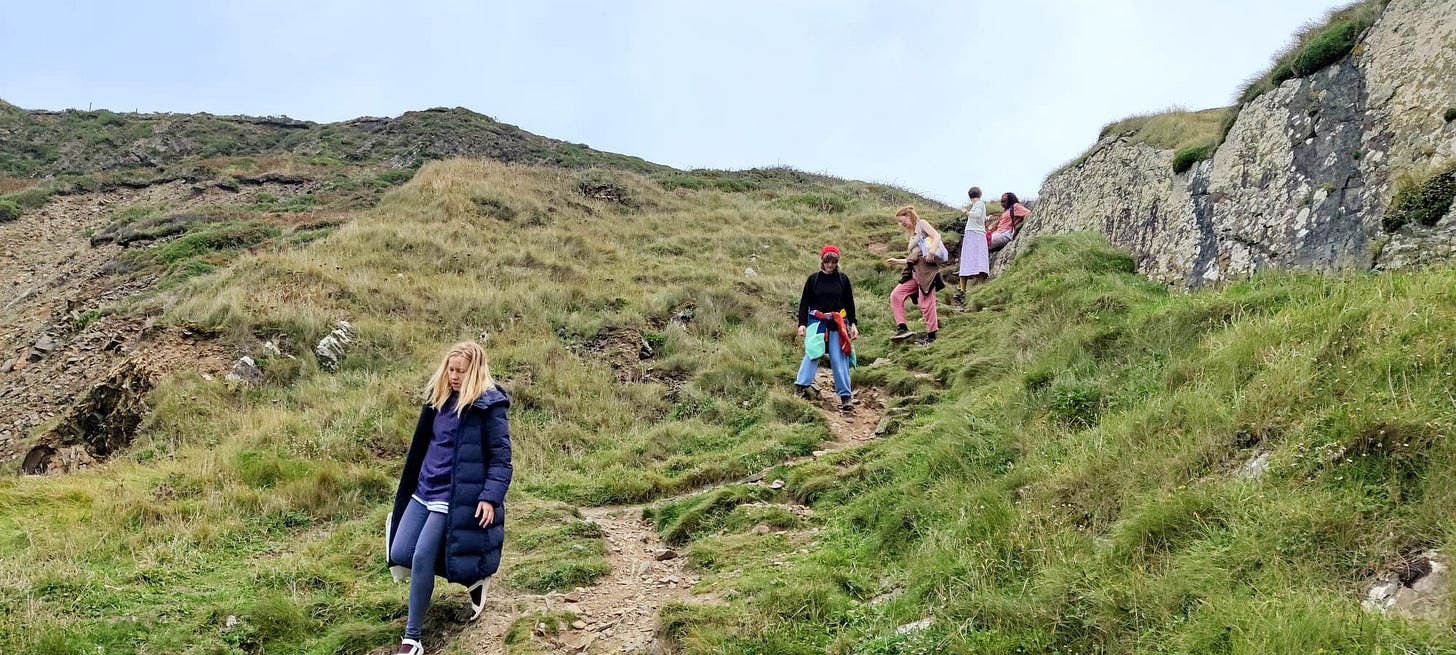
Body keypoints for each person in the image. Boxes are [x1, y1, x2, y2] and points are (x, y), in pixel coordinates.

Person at [386, 341, 513, 655]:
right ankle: (472, 577)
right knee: (401, 552)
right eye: (451, 369)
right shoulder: (438, 399)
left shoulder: (488, 406)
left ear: (475, 371)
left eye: (461, 371)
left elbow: (501, 460)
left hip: (452, 495)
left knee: (421, 556)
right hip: (424, 489)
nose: (454, 376)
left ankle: (412, 639)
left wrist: (489, 498)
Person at [796, 244, 859, 412]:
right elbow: (804, 303)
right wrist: (802, 324)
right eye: (827, 261)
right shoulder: (813, 279)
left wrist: (853, 324)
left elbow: (849, 303)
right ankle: (800, 387)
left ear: (837, 262)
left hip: (837, 324)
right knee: (812, 353)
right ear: (822, 261)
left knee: (839, 359)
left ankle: (846, 398)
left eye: (833, 262)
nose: (830, 265)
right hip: (817, 322)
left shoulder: (843, 279)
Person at [885, 206, 944, 346]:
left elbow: (937, 236)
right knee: (896, 295)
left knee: (926, 303)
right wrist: (898, 261)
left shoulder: (921, 224)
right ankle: (902, 328)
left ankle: (932, 335)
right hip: (914, 272)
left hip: (926, 271)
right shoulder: (912, 234)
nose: (901, 224)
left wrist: (931, 252)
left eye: (902, 220)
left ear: (908, 215)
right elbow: (914, 257)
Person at [954, 186, 990, 304]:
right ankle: (980, 287)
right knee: (980, 260)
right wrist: (986, 218)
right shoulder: (980, 204)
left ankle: (963, 290)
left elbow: (977, 214)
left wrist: (967, 212)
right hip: (978, 234)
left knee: (968, 259)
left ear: (970, 196)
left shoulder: (978, 204)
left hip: (973, 234)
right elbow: (980, 216)